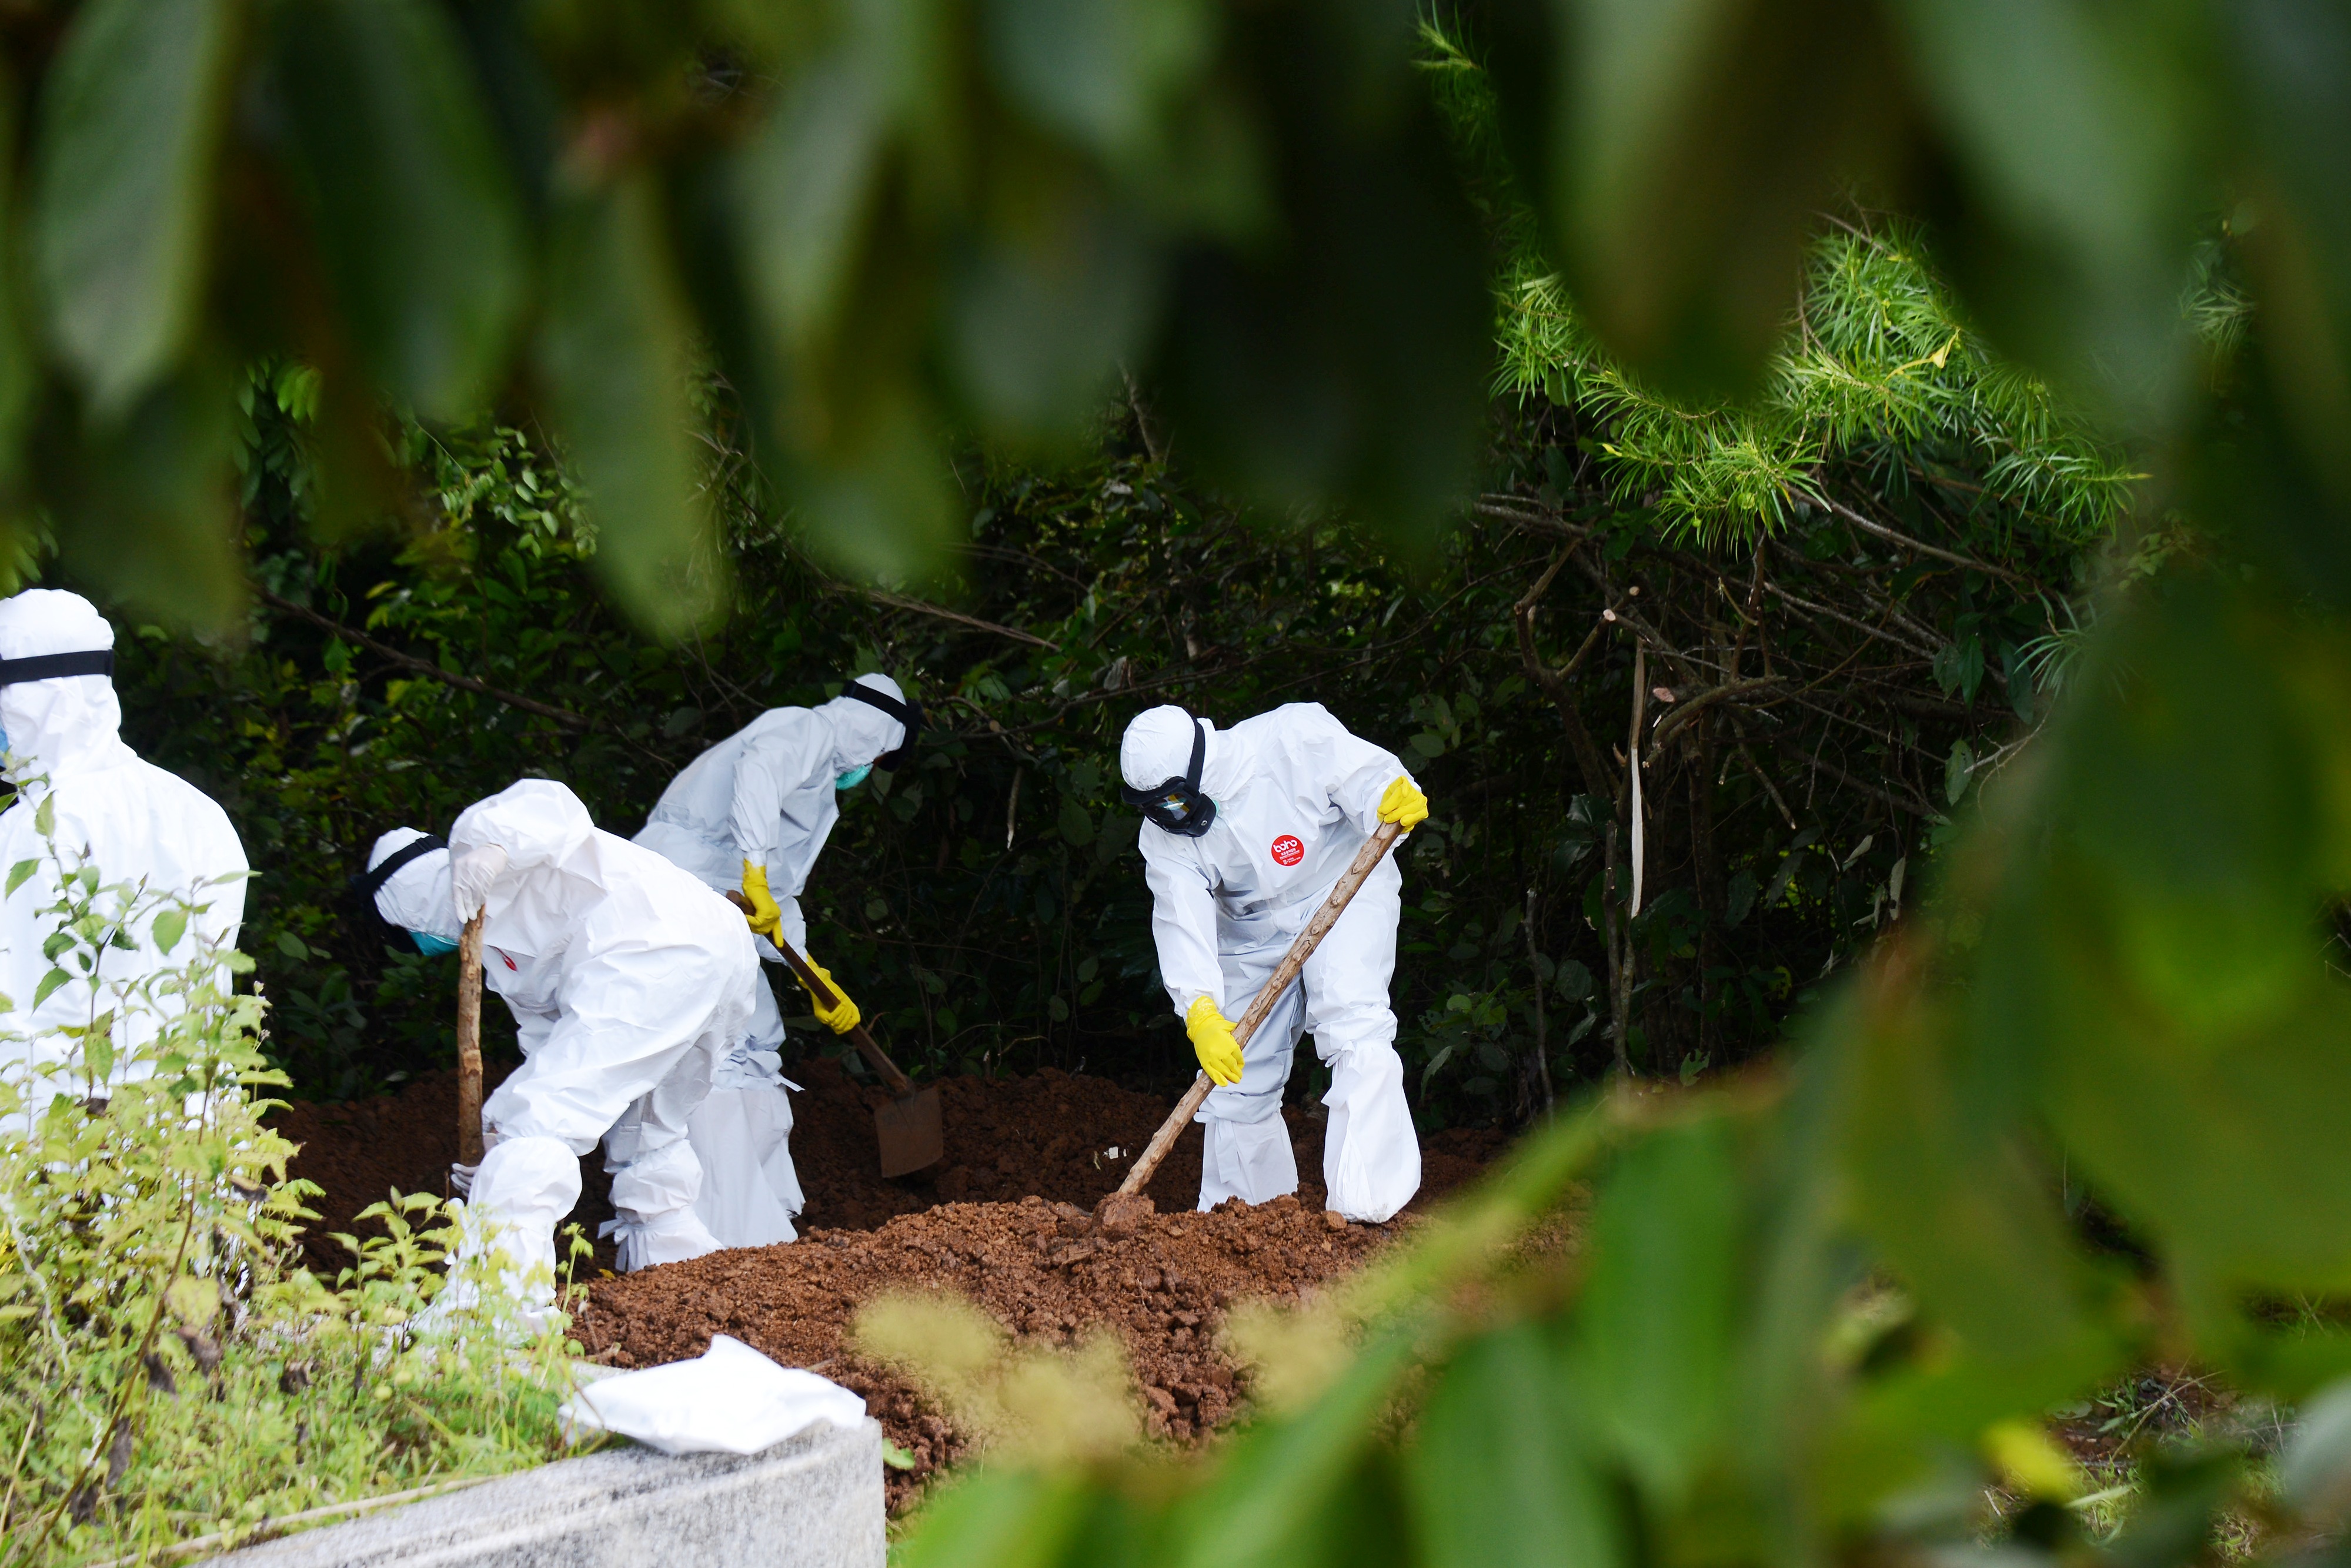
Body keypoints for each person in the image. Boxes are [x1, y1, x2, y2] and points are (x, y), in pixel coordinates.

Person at [358, 778, 756, 1307]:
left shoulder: (475, 843)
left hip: (652, 947)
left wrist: (492, 846)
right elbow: (554, 1047)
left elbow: (553, 805)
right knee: (648, 1128)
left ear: (403, 907)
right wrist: (497, 1141)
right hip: (707, 955)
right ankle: (675, 1269)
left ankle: (496, 1302)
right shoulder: (497, 953)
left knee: (539, 1120)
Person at [633, 673, 920, 1248]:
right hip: (675, 892)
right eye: (884, 754)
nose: (874, 768)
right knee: (718, 1048)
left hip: (714, 903)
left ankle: (757, 1217)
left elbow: (779, 899)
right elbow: (758, 777)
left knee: (756, 1038)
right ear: (876, 734)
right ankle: (714, 1230)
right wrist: (754, 871)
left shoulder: (817, 786)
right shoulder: (804, 727)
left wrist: (815, 980)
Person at [1119, 702, 1428, 1222]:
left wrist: (1390, 794)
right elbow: (1181, 920)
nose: (1168, 816)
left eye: (1174, 800)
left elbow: (1367, 776)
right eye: (1154, 808)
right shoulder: (1165, 837)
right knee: (1237, 1077)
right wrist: (1200, 1010)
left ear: (1199, 769)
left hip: (1344, 882)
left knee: (1352, 1019)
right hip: (1249, 925)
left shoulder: (1292, 736)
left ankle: (1368, 1206)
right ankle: (1246, 1219)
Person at [0, 590, 247, 1102]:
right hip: (189, 1144)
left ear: (34, 699)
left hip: (61, 1152)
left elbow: (22, 1021)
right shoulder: (198, 811)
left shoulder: (32, 832)